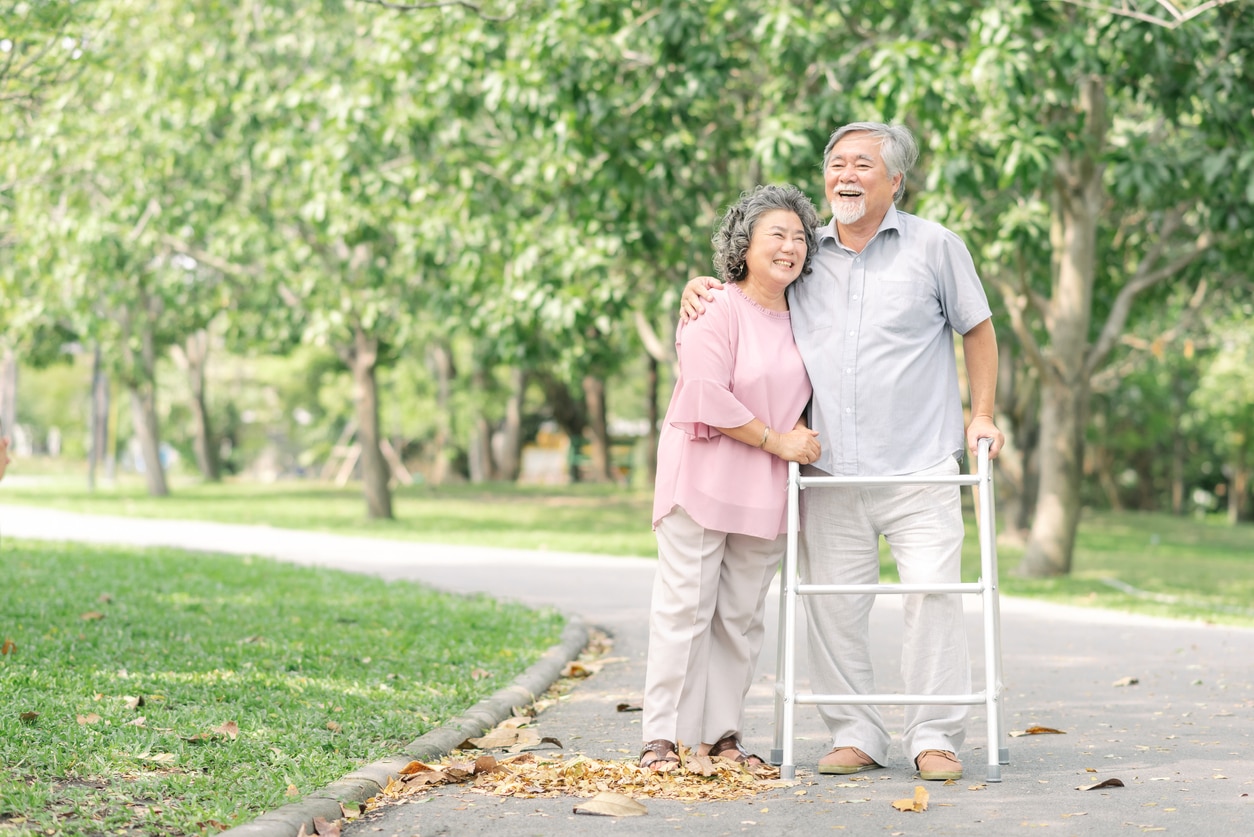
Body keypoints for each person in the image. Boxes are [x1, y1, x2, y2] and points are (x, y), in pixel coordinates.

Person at [681, 122, 1005, 782]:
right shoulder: (805, 255)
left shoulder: (935, 246)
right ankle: (855, 731)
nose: (846, 175)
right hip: (828, 468)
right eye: (836, 164)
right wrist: (700, 284)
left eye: (863, 164)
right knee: (834, 607)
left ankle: (933, 732)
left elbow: (978, 328)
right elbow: (748, 295)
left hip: (919, 463)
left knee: (933, 595)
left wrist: (984, 413)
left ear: (896, 180)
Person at [641, 184, 823, 772]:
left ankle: (721, 737)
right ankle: (663, 740)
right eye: (777, 234)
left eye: (799, 237)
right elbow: (702, 394)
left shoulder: (811, 319)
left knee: (741, 619)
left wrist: (794, 434)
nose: (790, 246)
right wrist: (777, 439)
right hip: (703, 477)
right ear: (744, 245)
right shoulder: (714, 306)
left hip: (766, 487)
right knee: (685, 608)